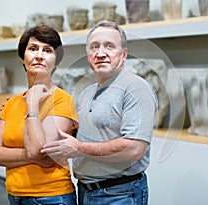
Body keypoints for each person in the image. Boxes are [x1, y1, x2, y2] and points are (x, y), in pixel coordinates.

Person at [41, 21, 158, 205]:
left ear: (124, 54)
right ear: (88, 55)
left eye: (109, 46)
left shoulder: (136, 88)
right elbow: (71, 133)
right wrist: (23, 107)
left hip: (119, 195)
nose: (100, 53)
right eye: (94, 47)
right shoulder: (85, 93)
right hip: (85, 192)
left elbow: (133, 148)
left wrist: (78, 148)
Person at [0, 25, 78, 205]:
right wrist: (36, 157)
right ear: (22, 58)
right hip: (15, 195)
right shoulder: (11, 104)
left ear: (56, 60)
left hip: (52, 197)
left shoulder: (63, 100)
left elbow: (39, 149)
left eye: (47, 50)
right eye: (33, 49)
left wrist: (32, 106)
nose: (39, 55)